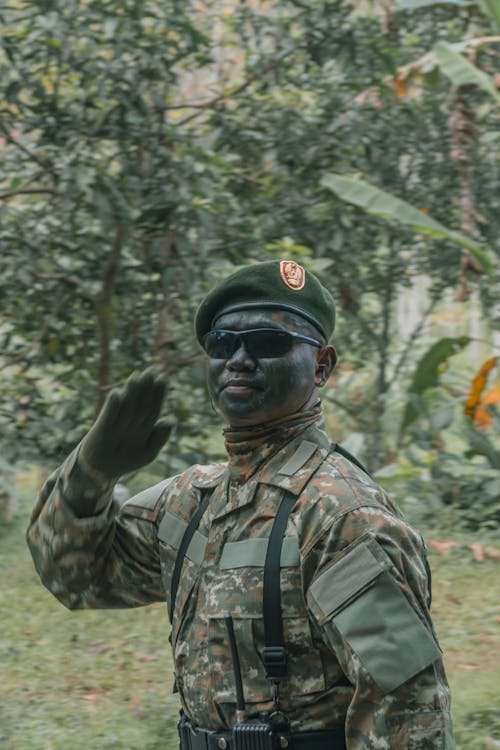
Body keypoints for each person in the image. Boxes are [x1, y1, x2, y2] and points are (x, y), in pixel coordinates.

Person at [27, 260, 455, 750]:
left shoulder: (340, 516)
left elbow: (408, 710)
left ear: (322, 366)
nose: (239, 359)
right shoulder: (191, 503)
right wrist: (91, 472)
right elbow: (75, 577)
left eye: (269, 344)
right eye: (223, 344)